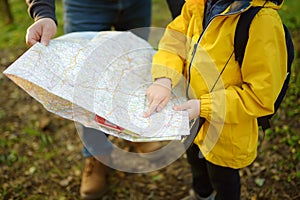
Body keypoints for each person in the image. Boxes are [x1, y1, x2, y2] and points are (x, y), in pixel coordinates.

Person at [144, 0, 287, 199]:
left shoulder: (262, 22)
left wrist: (204, 107)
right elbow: (174, 41)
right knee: (195, 162)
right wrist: (163, 79)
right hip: (191, 117)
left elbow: (260, 95)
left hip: (226, 130)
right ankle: (202, 194)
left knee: (223, 177)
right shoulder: (198, 4)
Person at [25, 0, 164, 199]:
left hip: (138, 4)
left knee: (133, 67)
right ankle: (98, 154)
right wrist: (43, 11)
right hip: (84, 5)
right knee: (88, 84)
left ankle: (131, 132)